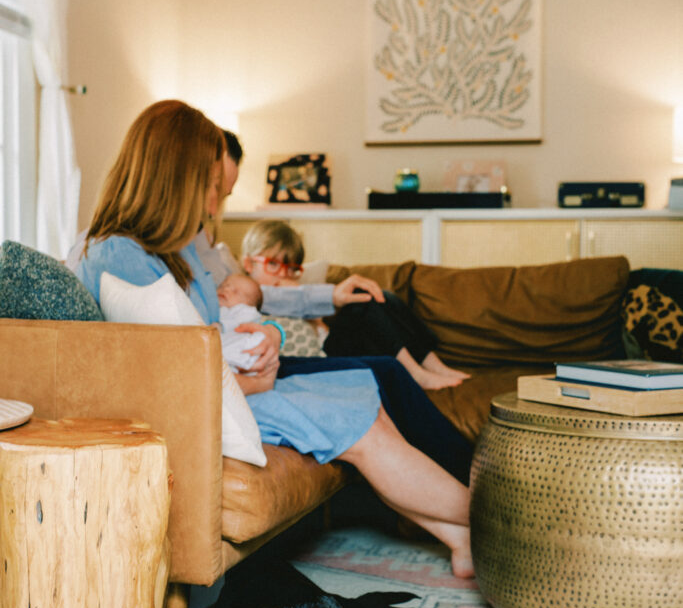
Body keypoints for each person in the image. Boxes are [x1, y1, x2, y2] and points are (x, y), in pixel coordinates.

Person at [73, 100, 473, 578]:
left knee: (368, 399)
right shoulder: (118, 256)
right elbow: (166, 379)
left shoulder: (178, 246)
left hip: (237, 382)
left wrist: (269, 329)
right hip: (223, 401)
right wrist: (251, 386)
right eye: (210, 186)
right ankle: (494, 522)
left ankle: (461, 537)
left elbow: (228, 310)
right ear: (176, 177)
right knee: (363, 427)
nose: (213, 203)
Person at [239, 218, 472, 391]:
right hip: (321, 359)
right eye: (272, 264)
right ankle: (415, 374)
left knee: (382, 296)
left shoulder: (297, 291)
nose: (283, 275)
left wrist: (312, 313)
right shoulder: (245, 293)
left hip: (331, 343)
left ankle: (434, 364)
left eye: (291, 269)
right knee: (362, 302)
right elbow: (266, 300)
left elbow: (320, 327)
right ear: (248, 263)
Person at [217, 273, 269, 374]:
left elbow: (240, 323)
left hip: (242, 353)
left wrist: (222, 326)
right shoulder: (217, 308)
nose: (225, 289)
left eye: (235, 291)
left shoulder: (246, 311)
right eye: (222, 286)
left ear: (249, 304)